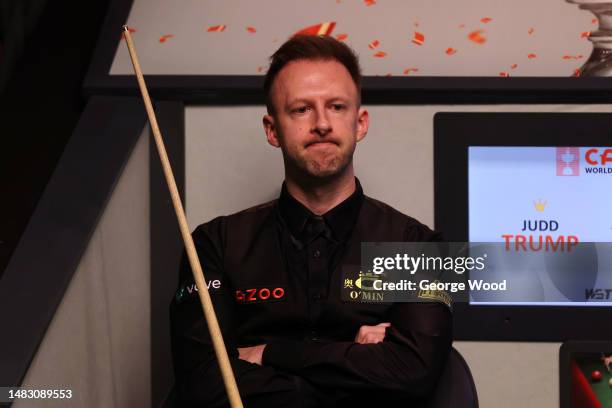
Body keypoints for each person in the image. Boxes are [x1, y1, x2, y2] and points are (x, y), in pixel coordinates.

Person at [170, 35, 452, 407]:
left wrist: (269, 354)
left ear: (360, 122)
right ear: (272, 130)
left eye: (336, 106)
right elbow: (203, 381)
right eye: (301, 109)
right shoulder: (213, 246)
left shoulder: (417, 247)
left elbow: (413, 373)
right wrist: (355, 362)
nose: (321, 124)